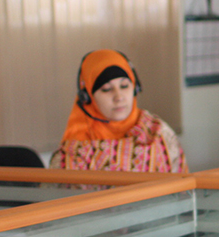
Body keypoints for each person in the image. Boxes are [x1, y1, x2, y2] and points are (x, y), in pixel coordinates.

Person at [49, 50, 188, 172]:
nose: (119, 97)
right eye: (106, 89)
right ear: (87, 97)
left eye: (124, 86)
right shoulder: (74, 150)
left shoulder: (157, 133)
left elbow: (184, 191)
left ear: (135, 88)